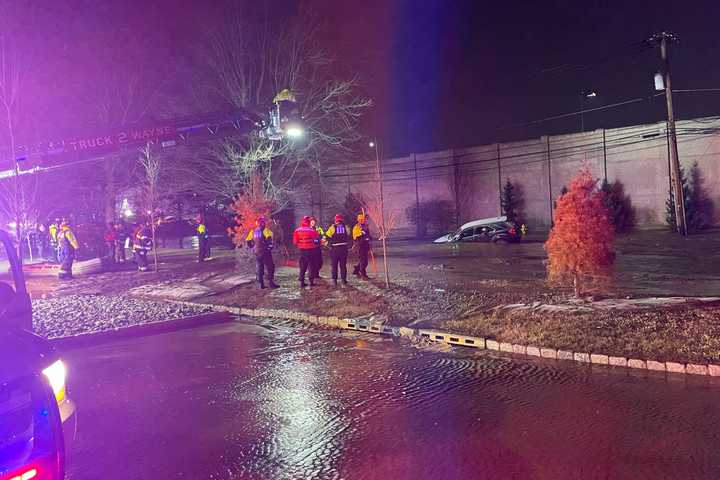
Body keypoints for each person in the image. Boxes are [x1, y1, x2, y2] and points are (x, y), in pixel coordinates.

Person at [245, 216, 279, 289]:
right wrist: (270, 248)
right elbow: (269, 240)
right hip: (265, 252)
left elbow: (247, 241)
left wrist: (252, 247)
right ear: (263, 223)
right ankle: (271, 283)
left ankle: (261, 284)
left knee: (260, 268)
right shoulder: (266, 230)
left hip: (257, 252)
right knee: (270, 267)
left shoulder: (253, 231)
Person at [292, 215, 320, 287]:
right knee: (311, 266)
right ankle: (311, 282)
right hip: (311, 251)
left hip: (302, 251)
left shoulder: (297, 230)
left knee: (302, 266)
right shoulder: (312, 231)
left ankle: (302, 282)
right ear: (308, 222)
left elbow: (295, 242)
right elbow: (316, 241)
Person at [324, 214, 350, 286]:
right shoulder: (346, 227)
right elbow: (348, 235)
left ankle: (334, 280)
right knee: (343, 265)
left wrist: (327, 245)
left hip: (334, 249)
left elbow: (326, 236)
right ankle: (343, 280)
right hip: (344, 249)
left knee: (334, 265)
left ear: (335, 220)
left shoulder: (332, 228)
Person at [352, 213, 371, 280]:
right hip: (360, 246)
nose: (362, 221)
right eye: (360, 220)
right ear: (358, 220)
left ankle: (356, 270)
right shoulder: (356, 227)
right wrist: (362, 235)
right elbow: (355, 237)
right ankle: (363, 274)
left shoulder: (366, 226)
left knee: (363, 261)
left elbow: (368, 235)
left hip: (366, 245)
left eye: (362, 219)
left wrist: (368, 238)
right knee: (364, 261)